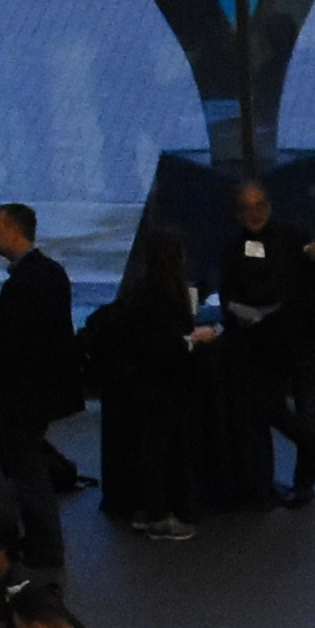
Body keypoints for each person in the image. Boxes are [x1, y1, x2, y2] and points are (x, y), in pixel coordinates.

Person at [213, 173, 315, 510]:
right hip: (264, 342)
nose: (255, 213)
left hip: (304, 338)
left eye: (260, 206)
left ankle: (305, 484)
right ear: (238, 212)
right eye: (248, 208)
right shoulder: (233, 246)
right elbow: (227, 292)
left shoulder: (295, 235)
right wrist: (237, 315)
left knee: (307, 408)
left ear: (269, 206)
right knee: (270, 411)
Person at [91, 217, 207, 540]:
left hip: (139, 383)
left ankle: (147, 508)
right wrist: (194, 340)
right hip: (159, 385)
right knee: (158, 450)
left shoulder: (139, 291)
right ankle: (159, 516)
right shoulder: (163, 295)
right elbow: (167, 345)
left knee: (147, 449)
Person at [0, 198, 89, 504]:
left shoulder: (24, 282)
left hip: (24, 394)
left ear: (15, 231)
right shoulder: (50, 272)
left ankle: (44, 542)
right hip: (38, 392)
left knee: (28, 472)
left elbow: (16, 343)